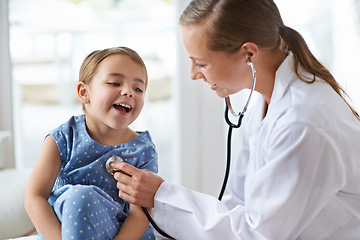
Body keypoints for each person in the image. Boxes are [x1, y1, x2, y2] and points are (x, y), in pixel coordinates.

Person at [110, 0, 360, 239]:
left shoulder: (302, 122)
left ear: (248, 54)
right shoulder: (267, 100)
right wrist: (161, 199)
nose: (194, 74)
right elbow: (238, 205)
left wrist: (161, 196)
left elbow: (257, 234)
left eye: (200, 63)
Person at [24, 46, 158, 240]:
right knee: (80, 198)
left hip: (120, 234)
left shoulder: (143, 150)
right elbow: (34, 197)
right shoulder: (62, 138)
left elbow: (140, 213)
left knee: (83, 198)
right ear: (84, 92)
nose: (129, 92)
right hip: (65, 233)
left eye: (138, 88)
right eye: (114, 83)